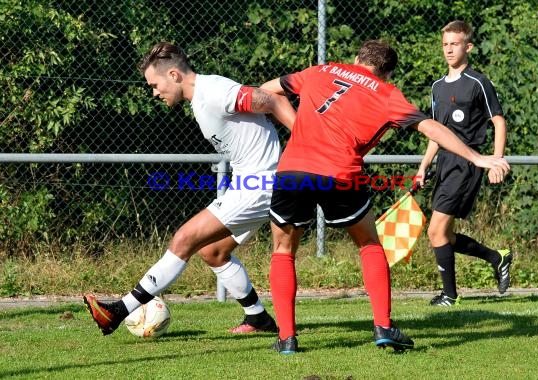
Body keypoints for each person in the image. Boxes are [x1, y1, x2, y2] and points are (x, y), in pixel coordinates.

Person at [259, 39, 510, 354]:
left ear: (356, 57)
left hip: (293, 170)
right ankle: (383, 326)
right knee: (368, 243)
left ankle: (287, 339)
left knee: (283, 250)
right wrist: (477, 158)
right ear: (387, 73)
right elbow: (431, 128)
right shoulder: (387, 93)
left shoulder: (321, 70)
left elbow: (265, 91)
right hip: (340, 174)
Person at [84, 42, 296, 335]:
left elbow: (272, 101)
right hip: (252, 183)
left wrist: (308, 146)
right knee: (213, 252)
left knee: (184, 238)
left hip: (261, 183)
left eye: (154, 84)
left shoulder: (213, 92)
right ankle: (258, 318)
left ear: (173, 74)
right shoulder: (201, 98)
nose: (154, 93)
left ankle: (118, 311)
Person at [416, 20, 513, 307]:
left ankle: (449, 296)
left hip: (468, 163)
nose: (448, 49)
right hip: (445, 163)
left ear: (467, 46)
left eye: (454, 44)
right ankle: (497, 258)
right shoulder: (436, 87)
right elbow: (437, 132)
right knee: (444, 234)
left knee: (435, 231)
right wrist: (424, 166)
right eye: (445, 44)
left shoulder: (478, 82)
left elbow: (498, 121)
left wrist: (495, 161)